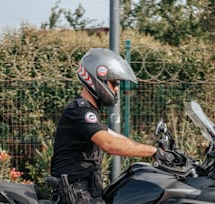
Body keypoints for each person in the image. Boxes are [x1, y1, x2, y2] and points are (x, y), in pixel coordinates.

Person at [50, 48, 172, 204]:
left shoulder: (87, 111)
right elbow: (110, 144)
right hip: (76, 197)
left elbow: (114, 136)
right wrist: (154, 152)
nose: (116, 89)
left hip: (86, 194)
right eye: (114, 83)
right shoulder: (80, 112)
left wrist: (160, 150)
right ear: (97, 77)